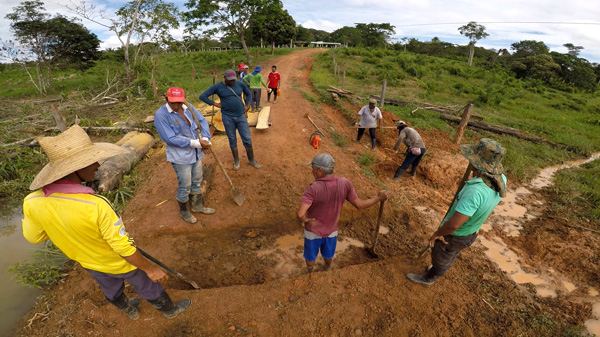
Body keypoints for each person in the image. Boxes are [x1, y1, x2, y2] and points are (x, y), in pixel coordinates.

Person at [21, 125, 191, 320]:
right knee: (147, 284)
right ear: (75, 169)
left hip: (89, 263)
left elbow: (34, 238)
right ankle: (170, 311)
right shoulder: (96, 205)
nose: (98, 165)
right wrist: (151, 269)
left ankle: (130, 311)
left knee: (111, 289)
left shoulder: (32, 201)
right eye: (92, 161)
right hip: (119, 263)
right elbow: (123, 248)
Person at [406, 138, 507, 285]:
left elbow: (454, 225)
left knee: (441, 256)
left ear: (476, 163)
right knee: (451, 254)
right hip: (471, 231)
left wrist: (438, 234)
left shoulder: (475, 191)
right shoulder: (501, 179)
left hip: (455, 235)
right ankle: (439, 268)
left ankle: (430, 277)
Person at [297, 153, 388, 273]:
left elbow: (300, 214)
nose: (312, 172)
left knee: (310, 256)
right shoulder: (344, 183)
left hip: (313, 231)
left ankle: (310, 273)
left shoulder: (313, 188)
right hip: (332, 230)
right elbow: (360, 205)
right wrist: (378, 199)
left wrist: (304, 219)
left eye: (313, 169)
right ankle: (327, 269)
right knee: (328, 254)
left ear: (319, 170)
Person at [154, 87, 215, 225]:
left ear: (184, 100)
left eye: (179, 103)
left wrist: (206, 137)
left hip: (195, 153)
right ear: (167, 100)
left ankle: (197, 205)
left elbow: (202, 121)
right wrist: (197, 143)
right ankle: (183, 211)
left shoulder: (188, 107)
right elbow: (170, 139)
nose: (176, 106)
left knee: (197, 179)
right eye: (173, 103)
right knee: (185, 184)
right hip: (180, 156)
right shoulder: (161, 115)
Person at [200, 69, 260, 169]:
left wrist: (248, 104)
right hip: (228, 117)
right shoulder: (218, 86)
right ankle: (236, 161)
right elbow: (202, 96)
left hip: (241, 115)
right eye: (230, 80)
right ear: (225, 78)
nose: (232, 82)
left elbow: (248, 94)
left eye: (233, 79)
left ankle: (251, 160)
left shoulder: (240, 84)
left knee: (247, 138)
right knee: (232, 139)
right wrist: (216, 104)